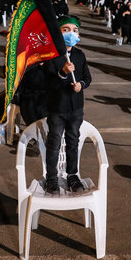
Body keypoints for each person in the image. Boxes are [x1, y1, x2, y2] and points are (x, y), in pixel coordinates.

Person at [44, 15, 91, 195]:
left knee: (73, 141)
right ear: (58, 32)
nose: (71, 33)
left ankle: (72, 174)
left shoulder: (79, 55)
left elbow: (87, 77)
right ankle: (52, 177)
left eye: (75, 30)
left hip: (76, 108)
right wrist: (62, 72)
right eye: (66, 30)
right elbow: (48, 82)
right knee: (54, 142)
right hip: (57, 107)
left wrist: (82, 85)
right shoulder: (53, 56)